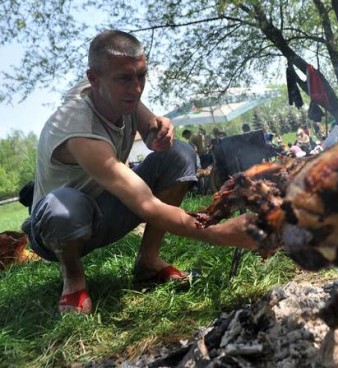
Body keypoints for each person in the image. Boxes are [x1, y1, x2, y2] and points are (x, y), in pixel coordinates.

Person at [21, 30, 257, 315]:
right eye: (125, 79)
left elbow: (150, 131)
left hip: (106, 210)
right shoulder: (76, 124)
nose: (136, 88)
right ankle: (73, 278)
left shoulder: (121, 93)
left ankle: (148, 263)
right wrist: (219, 233)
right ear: (94, 79)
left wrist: (160, 132)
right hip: (55, 230)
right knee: (64, 207)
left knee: (179, 154)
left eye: (141, 76)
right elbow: (146, 204)